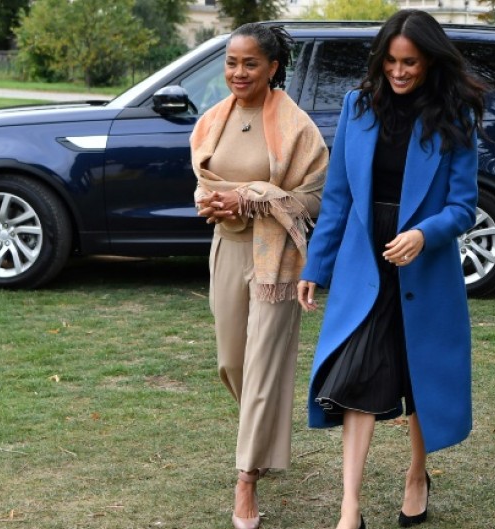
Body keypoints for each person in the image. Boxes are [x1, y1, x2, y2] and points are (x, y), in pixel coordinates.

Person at [296, 10, 486, 529]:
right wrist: (318, 264)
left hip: (423, 265)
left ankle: (416, 475)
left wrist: (424, 234)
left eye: (411, 63)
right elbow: (337, 197)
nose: (399, 72)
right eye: (392, 62)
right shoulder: (359, 106)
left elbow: (463, 207)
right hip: (366, 261)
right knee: (356, 375)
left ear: (429, 63)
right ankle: (349, 507)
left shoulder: (455, 114)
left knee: (421, 376)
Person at [190, 23, 327, 529]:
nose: (238, 72)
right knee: (232, 363)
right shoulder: (211, 121)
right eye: (231, 62)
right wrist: (217, 203)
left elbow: (313, 196)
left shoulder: (297, 127)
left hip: (278, 259)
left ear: (272, 67)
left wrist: (251, 195)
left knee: (266, 366)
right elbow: (204, 184)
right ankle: (262, 435)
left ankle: (246, 478)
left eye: (250, 63)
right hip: (227, 248)